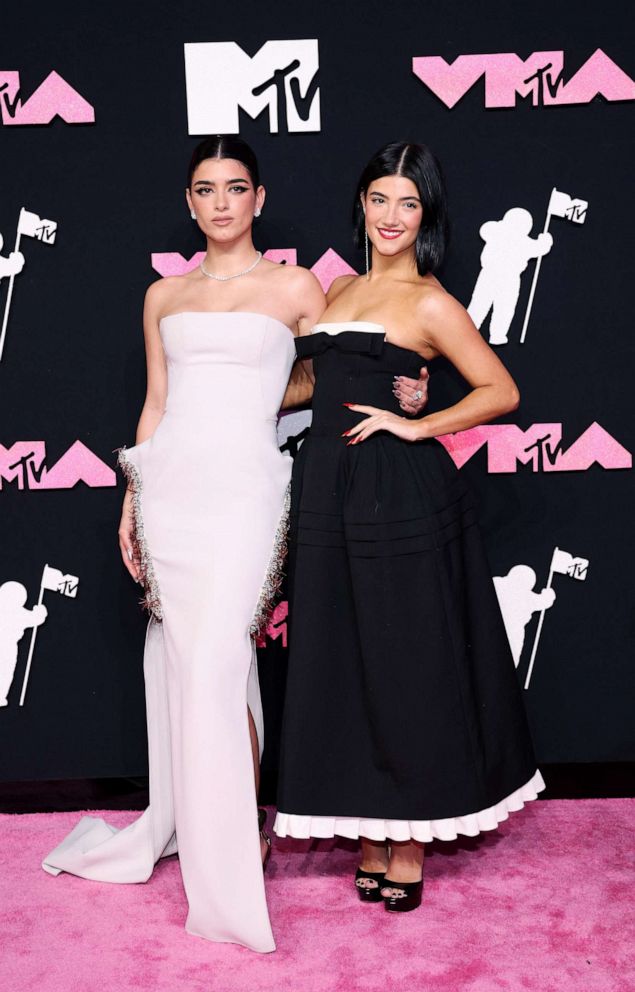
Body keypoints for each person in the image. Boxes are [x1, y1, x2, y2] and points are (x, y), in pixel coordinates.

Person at [41, 136, 429, 952]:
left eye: (236, 187)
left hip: (249, 491)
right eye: (205, 189)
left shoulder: (297, 286)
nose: (221, 201)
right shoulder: (161, 293)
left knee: (217, 659)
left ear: (259, 198)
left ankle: (225, 875)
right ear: (189, 203)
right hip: (171, 490)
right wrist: (130, 495)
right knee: (203, 667)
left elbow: (343, 364)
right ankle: (238, 827)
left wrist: (416, 380)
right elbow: (156, 402)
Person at [275, 141, 545, 913]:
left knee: (403, 661)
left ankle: (409, 839)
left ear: (424, 216)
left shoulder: (429, 301)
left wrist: (420, 426)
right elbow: (307, 387)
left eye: (408, 204)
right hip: (327, 491)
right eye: (379, 198)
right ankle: (366, 826)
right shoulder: (334, 290)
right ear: (360, 203)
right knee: (345, 660)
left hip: (399, 497)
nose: (391, 217)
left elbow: (500, 389)